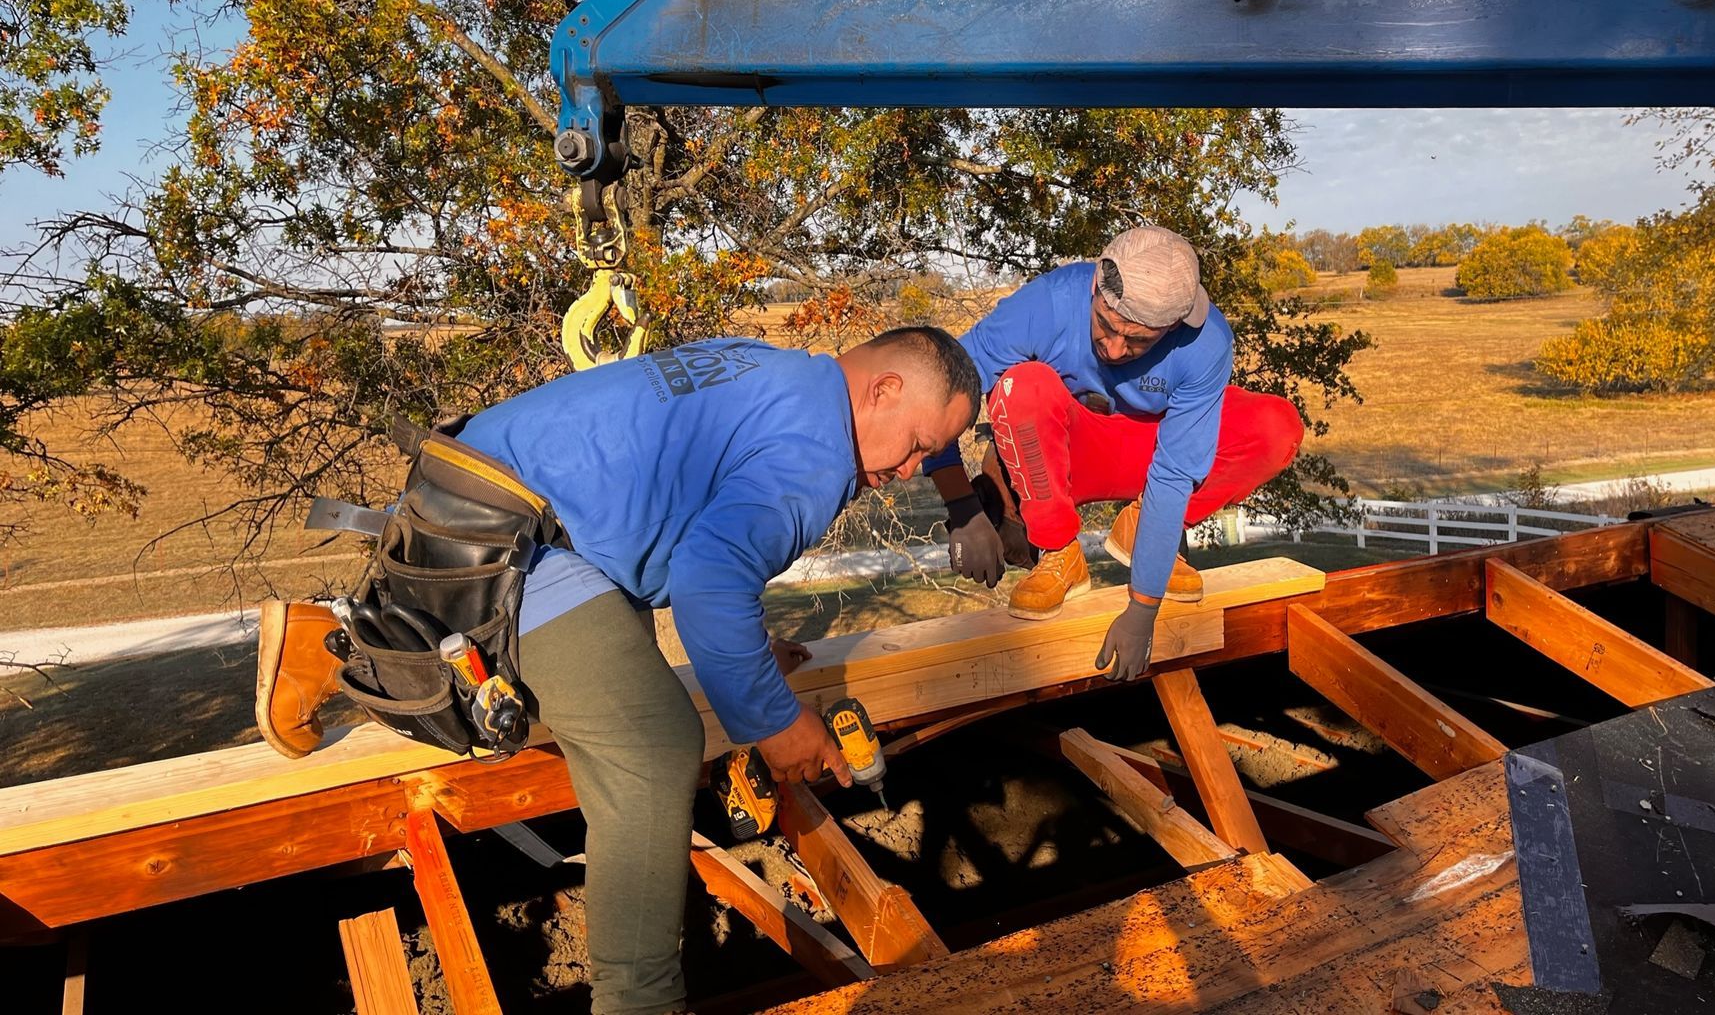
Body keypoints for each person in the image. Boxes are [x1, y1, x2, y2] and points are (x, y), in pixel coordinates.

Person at [260, 326, 980, 1015]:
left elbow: (681, 504)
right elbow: (709, 579)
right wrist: (777, 724)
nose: (909, 474)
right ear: (882, 389)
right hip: (505, 548)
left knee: (613, 686)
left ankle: (338, 643)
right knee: (653, 742)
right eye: (920, 447)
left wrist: (748, 645)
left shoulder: (774, 370)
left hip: (459, 508)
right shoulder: (821, 452)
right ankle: (642, 1003)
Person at [928, 225, 1304, 683]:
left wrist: (1142, 608)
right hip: (1066, 453)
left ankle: (1139, 529)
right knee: (1020, 386)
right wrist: (964, 508)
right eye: (1105, 325)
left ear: (1173, 327)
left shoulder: (1205, 343)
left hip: (1154, 458)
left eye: (1138, 341)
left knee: (1275, 427)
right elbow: (941, 397)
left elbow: (1174, 471)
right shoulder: (1046, 304)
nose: (1113, 348)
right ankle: (1059, 552)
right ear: (1094, 286)